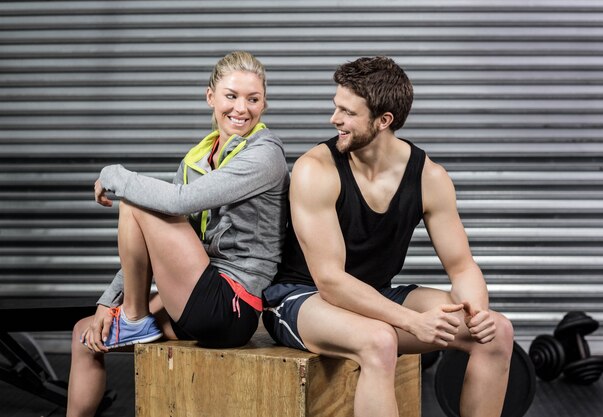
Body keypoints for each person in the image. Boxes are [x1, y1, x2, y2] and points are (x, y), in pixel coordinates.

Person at [262, 56, 514, 417]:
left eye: (347, 113)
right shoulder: (315, 170)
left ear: (383, 121)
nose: (335, 120)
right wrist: (411, 321)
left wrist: (478, 312)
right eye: (336, 108)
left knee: (498, 333)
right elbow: (330, 282)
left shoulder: (430, 177)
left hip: (375, 294)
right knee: (379, 340)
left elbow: (462, 267)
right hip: (302, 297)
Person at [67, 51, 289, 417]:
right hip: (198, 288)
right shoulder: (199, 158)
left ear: (264, 102)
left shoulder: (265, 155)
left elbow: (177, 203)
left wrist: (113, 173)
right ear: (211, 97)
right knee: (86, 334)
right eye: (231, 96)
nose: (242, 109)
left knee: (135, 202)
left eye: (253, 99)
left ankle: (135, 321)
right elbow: (153, 242)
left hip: (232, 305)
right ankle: (128, 324)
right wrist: (108, 300)